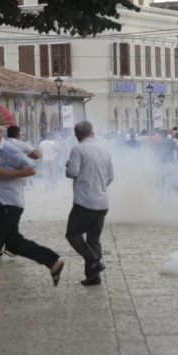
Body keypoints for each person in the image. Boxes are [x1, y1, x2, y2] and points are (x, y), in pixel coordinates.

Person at [0, 119, 65, 304]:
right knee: (14, 244)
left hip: (10, 205)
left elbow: (31, 169)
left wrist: (7, 174)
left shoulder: (9, 149)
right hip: (1, 206)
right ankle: (53, 261)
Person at [65, 121, 114, 286]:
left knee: (73, 234)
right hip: (102, 201)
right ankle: (94, 277)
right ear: (92, 133)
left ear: (77, 135)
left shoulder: (78, 149)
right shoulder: (104, 149)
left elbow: (73, 172)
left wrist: (68, 167)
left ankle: (93, 261)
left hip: (85, 201)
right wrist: (100, 187)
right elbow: (111, 176)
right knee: (94, 239)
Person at [153, 129, 178, 203]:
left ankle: (161, 198)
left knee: (162, 182)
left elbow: (154, 153)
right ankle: (169, 199)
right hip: (170, 163)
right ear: (167, 134)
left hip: (161, 163)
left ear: (160, 135)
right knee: (170, 182)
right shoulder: (171, 141)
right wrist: (176, 161)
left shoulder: (157, 142)